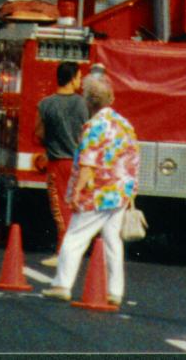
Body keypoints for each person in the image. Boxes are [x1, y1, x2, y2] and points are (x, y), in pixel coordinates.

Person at [49, 71, 139, 308]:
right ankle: (114, 291)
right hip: (120, 191)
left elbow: (88, 163)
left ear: (88, 101)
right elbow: (132, 158)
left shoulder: (94, 127)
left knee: (75, 236)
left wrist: (77, 190)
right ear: (111, 99)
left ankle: (62, 284)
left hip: (98, 192)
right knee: (112, 240)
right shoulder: (125, 125)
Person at [36, 61, 90, 262]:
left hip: (57, 162)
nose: (80, 81)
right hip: (80, 163)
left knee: (61, 210)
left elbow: (39, 133)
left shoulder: (45, 104)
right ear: (73, 78)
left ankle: (63, 253)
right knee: (79, 207)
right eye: (79, 77)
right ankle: (75, 250)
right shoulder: (84, 104)